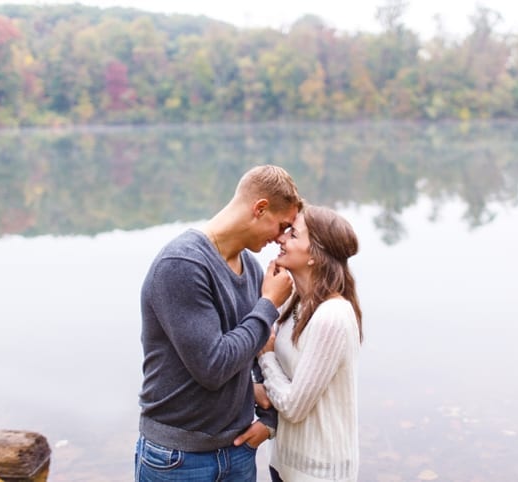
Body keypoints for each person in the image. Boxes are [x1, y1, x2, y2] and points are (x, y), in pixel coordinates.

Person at [135, 165, 304, 482]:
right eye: (282, 225)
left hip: (238, 451)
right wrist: (268, 304)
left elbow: (256, 349)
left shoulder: (252, 269)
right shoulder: (182, 264)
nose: (281, 238)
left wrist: (267, 420)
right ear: (260, 208)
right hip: (177, 460)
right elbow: (212, 367)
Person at [258, 205, 363, 482]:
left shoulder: (332, 316)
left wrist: (267, 356)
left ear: (315, 256)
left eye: (293, 235)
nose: (281, 239)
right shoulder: (295, 301)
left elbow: (293, 406)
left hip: (319, 474)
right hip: (284, 464)